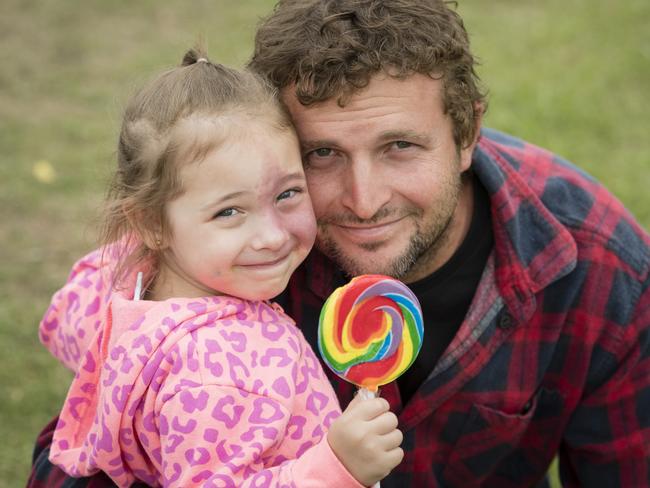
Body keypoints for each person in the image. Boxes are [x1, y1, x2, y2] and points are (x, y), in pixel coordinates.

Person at [29, 1, 650, 487]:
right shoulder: (237, 255)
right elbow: (88, 452)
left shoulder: (601, 269)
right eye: (322, 154)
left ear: (467, 134)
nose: (361, 199)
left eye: (399, 146)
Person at [31, 48, 404, 488]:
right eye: (229, 212)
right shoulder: (230, 370)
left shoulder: (120, 279)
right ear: (152, 223)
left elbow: (66, 314)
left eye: (287, 194)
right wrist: (336, 466)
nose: (271, 235)